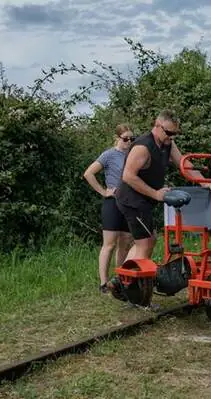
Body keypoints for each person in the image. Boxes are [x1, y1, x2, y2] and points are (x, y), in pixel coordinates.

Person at [114, 109, 211, 262]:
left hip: (144, 199)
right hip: (131, 199)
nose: (172, 137)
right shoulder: (143, 147)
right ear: (157, 126)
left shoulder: (168, 143)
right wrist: (155, 194)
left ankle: (124, 279)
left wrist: (206, 183)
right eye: (169, 132)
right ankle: (132, 282)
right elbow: (128, 176)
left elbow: (183, 164)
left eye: (175, 133)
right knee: (145, 243)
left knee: (150, 240)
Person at [83, 123, 135, 294]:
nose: (128, 142)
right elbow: (89, 173)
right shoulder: (109, 154)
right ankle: (104, 283)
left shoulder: (133, 154)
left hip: (129, 202)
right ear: (117, 138)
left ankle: (119, 279)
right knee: (109, 244)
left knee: (125, 242)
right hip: (112, 202)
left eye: (131, 139)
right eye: (125, 139)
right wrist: (103, 191)